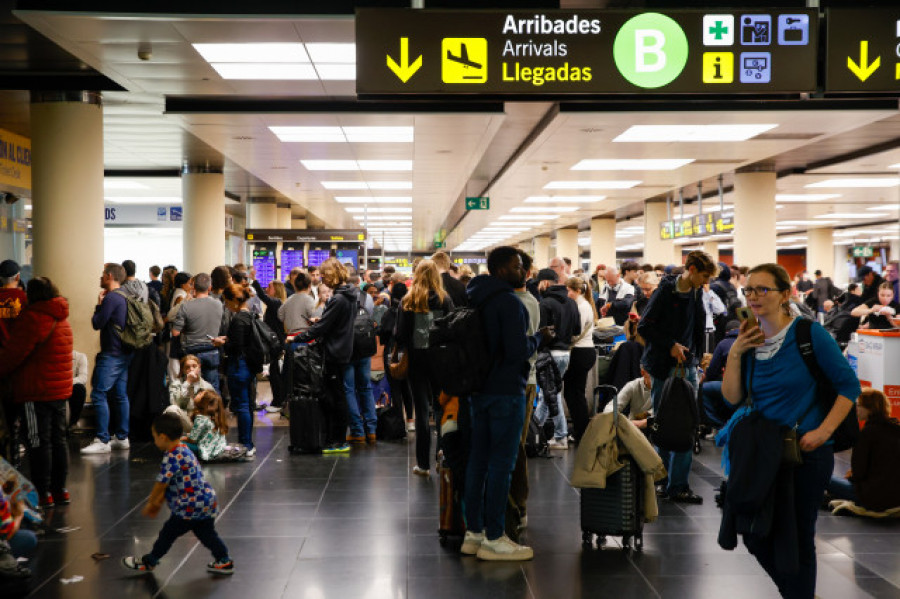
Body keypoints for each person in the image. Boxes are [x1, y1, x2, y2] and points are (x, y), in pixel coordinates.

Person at [721, 263, 859, 599]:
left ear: (785, 294)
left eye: (762, 289)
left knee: (796, 536)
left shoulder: (808, 335)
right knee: (754, 532)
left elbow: (848, 386)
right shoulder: (750, 336)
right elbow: (733, 397)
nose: (753, 296)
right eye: (748, 289)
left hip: (804, 454)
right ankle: (796, 593)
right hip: (761, 452)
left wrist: (824, 432)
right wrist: (737, 352)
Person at [461, 246, 549, 561]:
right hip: (506, 391)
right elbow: (516, 351)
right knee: (502, 464)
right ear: (500, 270)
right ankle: (496, 537)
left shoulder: (474, 297)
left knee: (478, 461)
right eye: (516, 265)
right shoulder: (508, 303)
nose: (523, 270)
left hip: (478, 390)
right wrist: (539, 338)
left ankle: (473, 533)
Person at [637, 250, 717, 504]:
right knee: (663, 422)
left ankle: (678, 485)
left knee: (686, 425)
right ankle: (660, 480)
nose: (706, 282)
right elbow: (644, 327)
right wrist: (670, 344)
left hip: (687, 367)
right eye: (704, 275)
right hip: (663, 367)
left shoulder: (696, 292)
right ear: (691, 269)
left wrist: (697, 357)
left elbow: (696, 326)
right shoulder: (665, 292)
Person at [122, 412, 232, 574]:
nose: (154, 441)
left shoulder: (172, 456)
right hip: (207, 500)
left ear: (163, 437)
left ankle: (150, 561)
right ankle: (224, 560)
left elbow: (161, 483)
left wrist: (152, 502)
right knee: (207, 534)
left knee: (167, 534)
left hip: (190, 506)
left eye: (155, 437)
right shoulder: (184, 449)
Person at [0, 277, 73, 507]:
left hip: (36, 391)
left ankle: (42, 492)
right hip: (60, 390)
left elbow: (14, 354)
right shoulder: (62, 319)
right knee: (59, 439)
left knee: (38, 441)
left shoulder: (33, 319)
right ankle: (60, 489)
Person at [293, 258, 357, 454]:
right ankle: (337, 437)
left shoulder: (338, 299)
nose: (322, 278)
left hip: (334, 352)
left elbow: (322, 327)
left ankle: (338, 440)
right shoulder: (350, 295)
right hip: (343, 349)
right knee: (339, 395)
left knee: (336, 397)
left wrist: (298, 337)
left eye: (324, 274)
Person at [397, 260, 454, 474]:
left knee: (421, 411)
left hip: (416, 361)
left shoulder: (408, 300)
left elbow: (400, 334)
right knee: (442, 408)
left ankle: (423, 464)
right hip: (441, 360)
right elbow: (451, 328)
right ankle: (443, 453)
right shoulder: (444, 299)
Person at [82, 263, 133, 455]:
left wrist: (98, 304)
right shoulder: (126, 296)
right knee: (120, 395)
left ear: (110, 276)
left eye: (103, 274)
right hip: (125, 352)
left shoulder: (111, 298)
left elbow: (98, 323)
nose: (101, 277)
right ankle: (122, 437)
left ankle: (102, 438)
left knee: (98, 394)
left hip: (112, 353)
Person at [826, 388, 900, 511]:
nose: (856, 410)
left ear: (870, 408)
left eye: (859, 406)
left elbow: (859, 473)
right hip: (897, 497)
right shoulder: (896, 428)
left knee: (824, 478)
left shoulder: (867, 433)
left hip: (874, 497)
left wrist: (851, 476)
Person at [510, 249, 540, 529]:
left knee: (516, 445)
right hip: (522, 379)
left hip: (524, 381)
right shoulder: (521, 300)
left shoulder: (523, 303)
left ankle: (518, 505)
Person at [534, 268, 580, 450]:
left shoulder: (544, 304)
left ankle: (556, 435)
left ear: (545, 283)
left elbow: (541, 332)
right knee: (550, 394)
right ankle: (538, 435)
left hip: (549, 354)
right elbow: (576, 330)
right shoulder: (571, 302)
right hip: (566, 354)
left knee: (548, 394)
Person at [218, 284, 257, 457]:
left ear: (234, 300)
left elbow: (236, 346)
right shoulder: (249, 315)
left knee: (241, 406)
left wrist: (223, 343)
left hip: (238, 365)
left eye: (227, 301)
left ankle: (246, 444)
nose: (226, 305)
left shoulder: (239, 319)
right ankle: (247, 442)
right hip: (248, 364)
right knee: (246, 405)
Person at [172, 273, 223, 392]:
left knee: (193, 389)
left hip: (191, 352)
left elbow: (175, 332)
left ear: (193, 287)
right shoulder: (218, 304)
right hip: (212, 349)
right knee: (212, 389)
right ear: (210, 287)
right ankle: (213, 410)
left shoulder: (185, 306)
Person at [563, 276, 597, 444]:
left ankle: (581, 431)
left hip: (580, 352)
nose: (567, 293)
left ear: (577, 291)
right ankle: (580, 429)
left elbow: (576, 332)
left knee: (574, 393)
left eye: (569, 290)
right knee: (574, 393)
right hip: (584, 352)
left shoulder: (582, 307)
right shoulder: (583, 305)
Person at [380, 282, 414, 432]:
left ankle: (399, 420)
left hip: (390, 353)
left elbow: (383, 336)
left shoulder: (388, 313)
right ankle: (411, 420)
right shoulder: (410, 311)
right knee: (407, 386)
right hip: (407, 352)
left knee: (395, 388)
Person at [252, 278, 287, 413]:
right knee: (274, 373)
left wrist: (255, 281)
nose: (267, 289)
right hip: (275, 343)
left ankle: (278, 401)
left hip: (276, 344)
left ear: (276, 290)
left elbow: (262, 296)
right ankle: (277, 400)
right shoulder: (277, 304)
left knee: (275, 374)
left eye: (270, 287)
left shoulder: (276, 303)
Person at [166, 354, 213, 433]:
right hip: (185, 423)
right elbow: (175, 404)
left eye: (194, 366)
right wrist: (187, 383)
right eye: (187, 367)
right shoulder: (176, 384)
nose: (191, 369)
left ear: (199, 367)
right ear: (183, 370)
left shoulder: (207, 386)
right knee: (171, 409)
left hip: (202, 425)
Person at [184, 390, 229, 462]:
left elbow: (192, 439)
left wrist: (181, 439)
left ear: (205, 402)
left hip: (206, 451)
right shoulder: (214, 416)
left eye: (201, 394)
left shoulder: (201, 418)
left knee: (178, 444)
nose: (198, 394)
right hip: (217, 449)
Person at [68, 350, 89, 429]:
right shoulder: (53, 356)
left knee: (79, 389)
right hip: (57, 388)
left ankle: (73, 422)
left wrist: (65, 383)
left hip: (69, 387)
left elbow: (83, 378)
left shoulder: (80, 357)